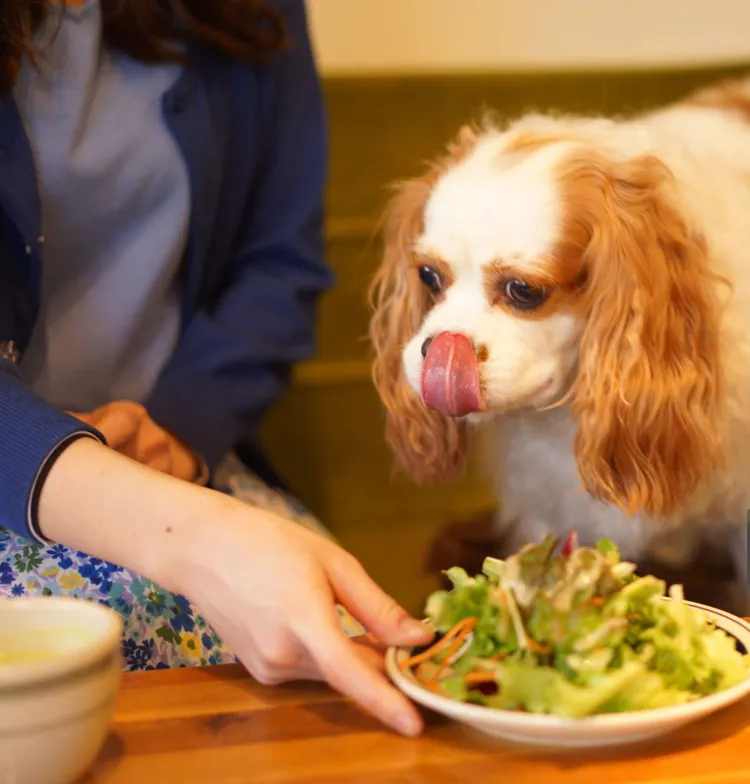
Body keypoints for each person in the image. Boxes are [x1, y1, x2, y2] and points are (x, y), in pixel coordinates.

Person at [0, 0, 433, 736]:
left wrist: (178, 437)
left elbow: (276, 268)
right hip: (76, 492)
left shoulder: (254, 11)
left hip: (183, 464)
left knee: (332, 669)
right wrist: (195, 539)